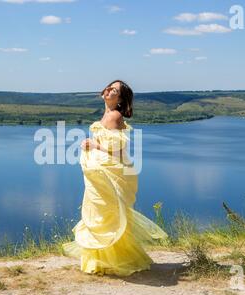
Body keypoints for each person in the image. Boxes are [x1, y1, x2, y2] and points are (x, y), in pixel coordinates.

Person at [62, 80, 168, 277]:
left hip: (110, 171)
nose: (109, 90)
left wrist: (93, 146)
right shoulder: (107, 114)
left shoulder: (114, 116)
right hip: (102, 170)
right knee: (104, 214)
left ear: (120, 99)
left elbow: (119, 151)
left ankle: (112, 260)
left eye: (115, 90)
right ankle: (102, 260)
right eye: (109, 87)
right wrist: (92, 145)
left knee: (106, 215)